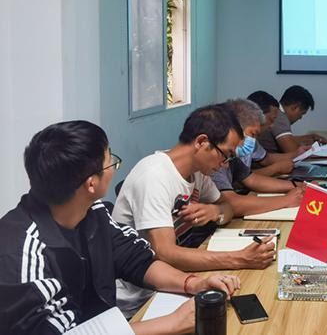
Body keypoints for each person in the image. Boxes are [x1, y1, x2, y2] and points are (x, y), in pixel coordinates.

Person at [0, 121, 242, 334]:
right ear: (91, 184)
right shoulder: (21, 251)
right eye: (110, 163)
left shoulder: (92, 211)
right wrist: (173, 323)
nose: (114, 169)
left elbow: (138, 260)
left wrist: (193, 283)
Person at [112, 105, 275, 317]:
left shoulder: (197, 173)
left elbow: (228, 207)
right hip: (140, 301)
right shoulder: (154, 176)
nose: (226, 165)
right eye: (225, 155)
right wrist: (239, 258)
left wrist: (215, 211)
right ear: (201, 142)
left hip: (177, 280)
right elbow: (165, 253)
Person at [211, 99, 304, 216]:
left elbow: (252, 180)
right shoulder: (214, 157)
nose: (252, 141)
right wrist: (286, 200)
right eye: (252, 134)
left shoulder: (231, 155)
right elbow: (232, 203)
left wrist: (299, 186)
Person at [246, 90, 308, 176]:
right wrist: (275, 169)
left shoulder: (251, 140)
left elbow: (266, 158)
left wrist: (298, 153)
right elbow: (240, 179)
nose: (272, 126)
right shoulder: (236, 140)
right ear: (256, 117)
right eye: (271, 120)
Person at [256, 85, 327, 153]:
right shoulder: (280, 118)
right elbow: (294, 152)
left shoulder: (277, 112)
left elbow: (288, 140)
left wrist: (308, 137)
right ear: (295, 107)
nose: (300, 118)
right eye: (302, 113)